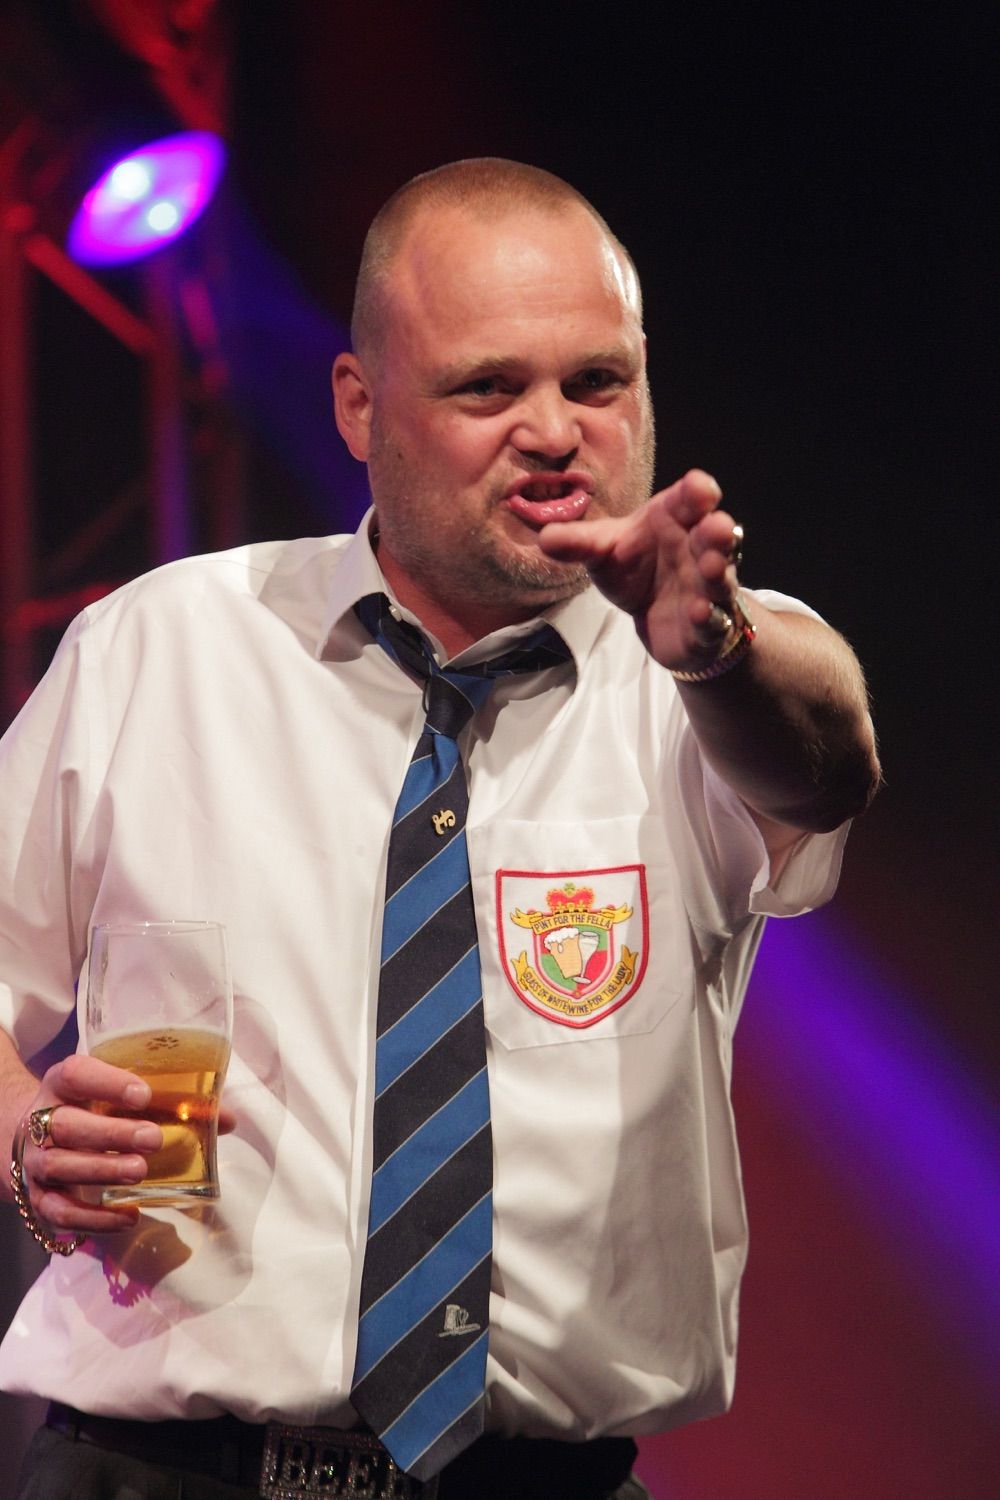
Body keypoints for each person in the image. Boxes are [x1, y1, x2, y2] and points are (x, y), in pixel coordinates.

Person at [0, 158, 880, 1499]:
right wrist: (25, 1136)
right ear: (359, 406)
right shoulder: (156, 651)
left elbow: (824, 765)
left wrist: (716, 653)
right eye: (489, 387)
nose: (554, 429)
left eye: (597, 382)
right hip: (160, 1468)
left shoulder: (716, 668)